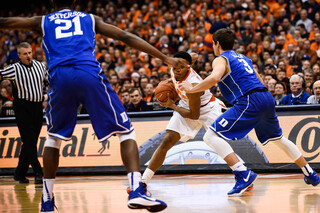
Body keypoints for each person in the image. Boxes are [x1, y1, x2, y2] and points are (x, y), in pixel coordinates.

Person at [0, 0, 186, 212]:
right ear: (76, 2)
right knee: (126, 132)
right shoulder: (89, 18)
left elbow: (5, 21)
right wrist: (164, 57)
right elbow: (125, 36)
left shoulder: (42, 21)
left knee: (53, 139)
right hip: (88, 73)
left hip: (59, 78)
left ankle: (48, 200)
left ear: (52, 3)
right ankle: (136, 190)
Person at [180, 28, 320, 197]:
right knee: (278, 139)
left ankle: (242, 173)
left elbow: (215, 78)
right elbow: (260, 79)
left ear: (216, 44)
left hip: (249, 99)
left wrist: (192, 89)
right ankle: (310, 172)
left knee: (210, 136)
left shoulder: (221, 58)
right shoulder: (243, 57)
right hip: (265, 96)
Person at [0, 42, 47, 184]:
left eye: (30, 53)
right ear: (19, 55)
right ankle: (39, 172)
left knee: (31, 142)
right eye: (25, 54)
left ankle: (19, 173)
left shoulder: (40, 66)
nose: (28, 56)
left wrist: (48, 95)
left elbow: (49, 81)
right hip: (22, 106)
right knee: (29, 141)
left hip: (38, 107)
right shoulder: (14, 69)